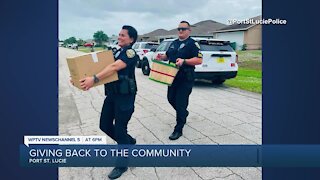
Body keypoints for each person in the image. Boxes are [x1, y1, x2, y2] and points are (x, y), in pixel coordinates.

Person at [77, 25, 138, 179]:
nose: (119, 37)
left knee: (120, 130)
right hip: (112, 96)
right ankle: (129, 142)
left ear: (131, 39)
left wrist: (95, 79)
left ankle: (121, 165)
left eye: (123, 35)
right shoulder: (116, 51)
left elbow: (114, 67)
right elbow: (98, 66)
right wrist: (82, 78)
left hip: (125, 97)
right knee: (104, 125)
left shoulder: (130, 53)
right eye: (119, 34)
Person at [156, 21, 203, 140]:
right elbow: (168, 55)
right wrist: (161, 57)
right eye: (179, 29)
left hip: (185, 78)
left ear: (189, 30)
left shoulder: (193, 44)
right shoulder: (174, 43)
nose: (180, 31)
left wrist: (185, 61)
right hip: (172, 77)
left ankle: (178, 129)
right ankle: (183, 114)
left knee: (181, 103)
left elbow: (199, 60)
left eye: (183, 29)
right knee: (170, 99)